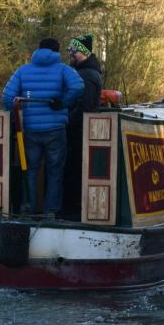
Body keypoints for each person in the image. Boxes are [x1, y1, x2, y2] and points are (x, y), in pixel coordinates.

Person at [1, 37, 84, 216]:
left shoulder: (22, 71)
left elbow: (7, 97)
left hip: (30, 131)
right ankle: (51, 211)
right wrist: (63, 103)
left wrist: (17, 115)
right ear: (57, 51)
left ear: (38, 50)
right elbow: (78, 87)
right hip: (55, 130)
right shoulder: (64, 70)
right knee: (55, 172)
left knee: (30, 171)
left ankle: (28, 208)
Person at [62, 34, 102, 219]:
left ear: (84, 53)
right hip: (78, 131)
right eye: (69, 50)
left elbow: (85, 108)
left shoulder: (87, 76)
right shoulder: (84, 73)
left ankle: (71, 210)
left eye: (74, 50)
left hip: (80, 133)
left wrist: (65, 121)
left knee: (74, 170)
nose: (70, 53)